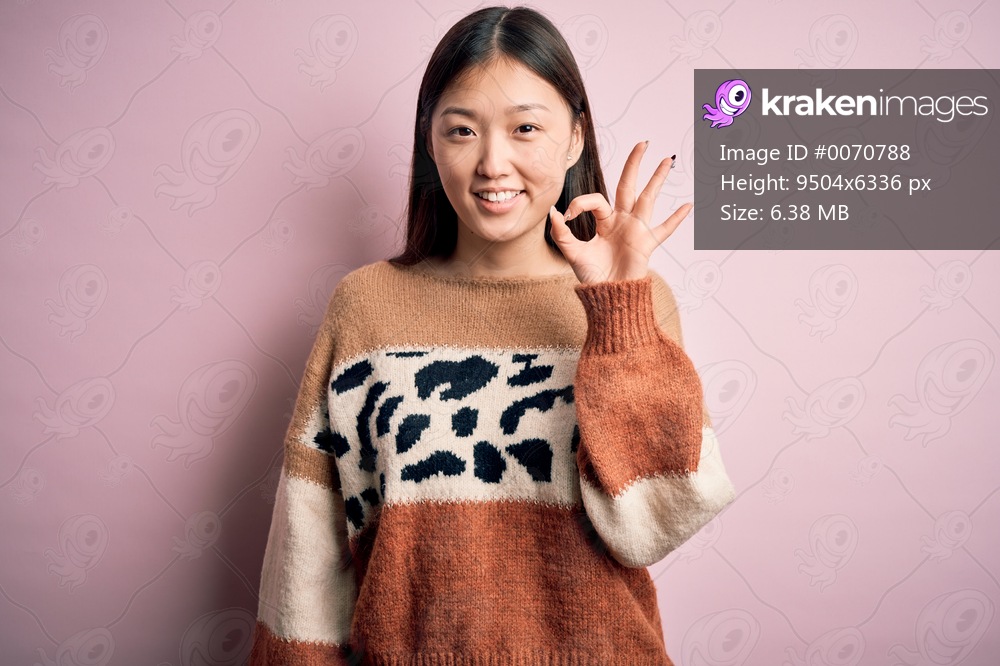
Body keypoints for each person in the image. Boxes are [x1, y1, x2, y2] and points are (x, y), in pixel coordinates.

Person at [249, 6, 736, 665]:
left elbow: (652, 523)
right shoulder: (366, 309)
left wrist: (618, 311)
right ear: (429, 140)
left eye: (526, 127)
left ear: (573, 140)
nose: (492, 163)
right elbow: (307, 560)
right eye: (461, 130)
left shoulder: (634, 308)